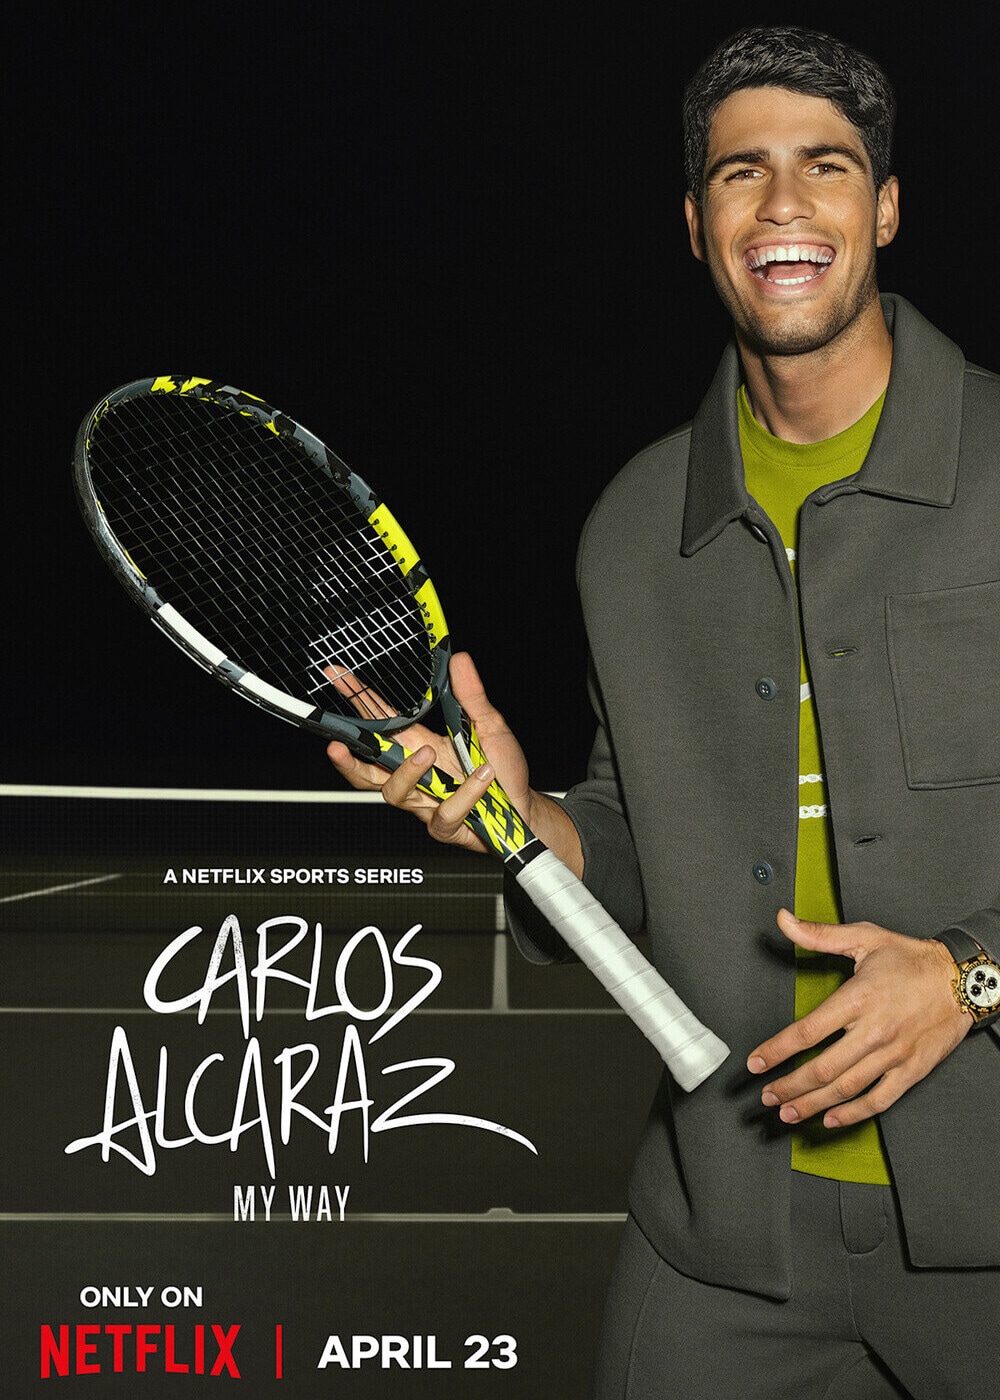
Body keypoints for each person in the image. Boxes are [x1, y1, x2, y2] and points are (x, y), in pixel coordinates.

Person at [328, 26, 999, 1400]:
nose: (783, 204)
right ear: (697, 224)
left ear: (885, 208)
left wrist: (971, 975)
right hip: (719, 1241)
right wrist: (527, 819)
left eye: (826, 166)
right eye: (741, 173)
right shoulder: (633, 529)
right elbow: (631, 846)